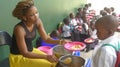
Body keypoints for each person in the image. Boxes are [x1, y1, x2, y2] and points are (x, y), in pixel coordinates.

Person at [9, 0, 70, 67]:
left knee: (56, 61)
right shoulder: (19, 29)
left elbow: (46, 38)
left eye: (36, 12)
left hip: (30, 51)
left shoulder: (37, 21)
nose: (36, 16)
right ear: (24, 17)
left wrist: (61, 41)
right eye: (32, 15)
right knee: (52, 64)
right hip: (19, 57)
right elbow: (25, 53)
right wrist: (46, 56)